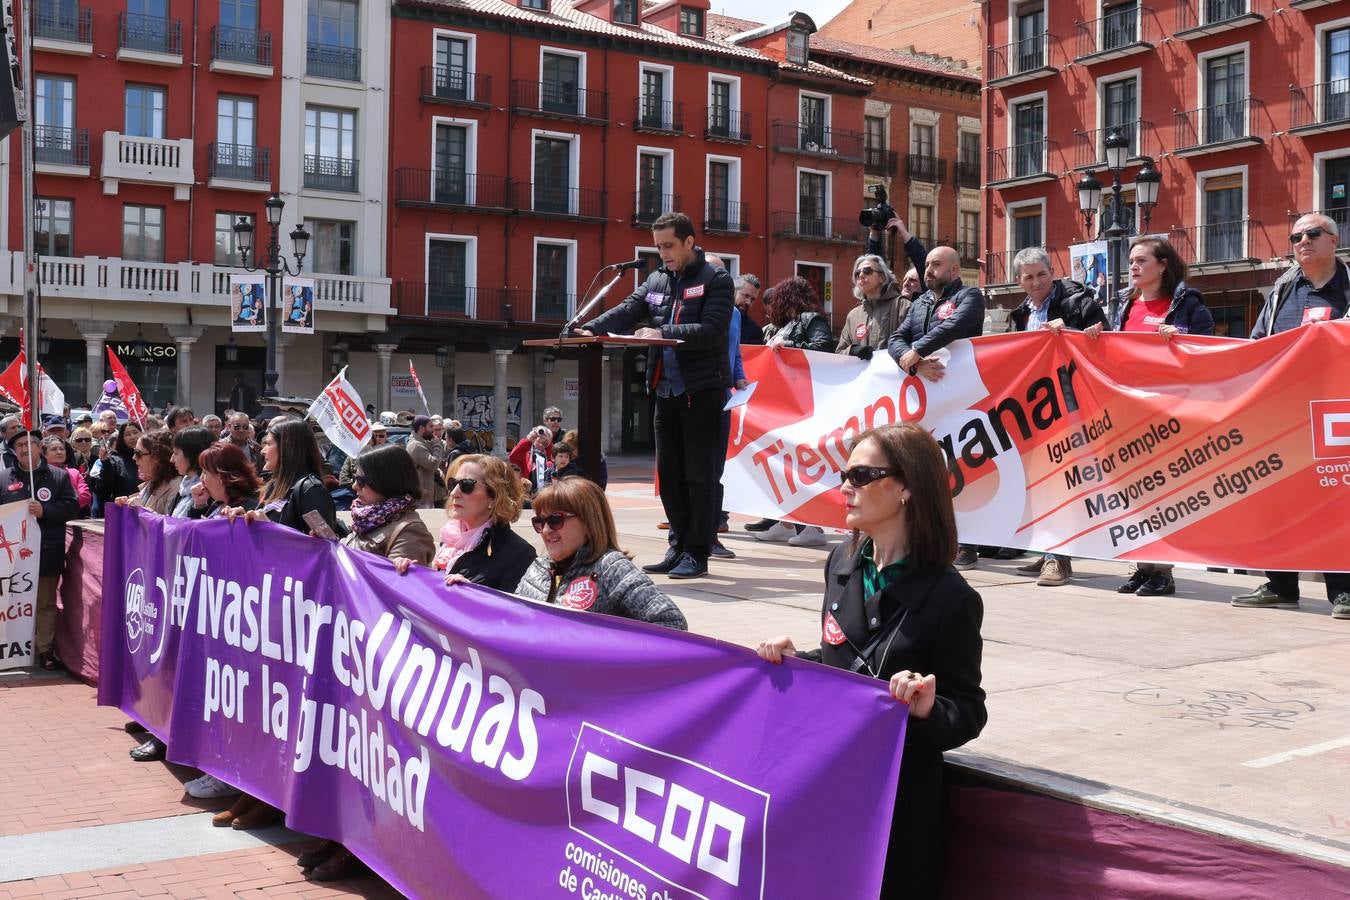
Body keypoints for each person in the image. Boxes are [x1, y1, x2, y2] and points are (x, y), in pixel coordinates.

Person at [756, 423, 986, 898]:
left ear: (906, 486)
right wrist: (801, 661)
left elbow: (967, 710)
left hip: (894, 807)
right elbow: (845, 659)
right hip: (827, 786)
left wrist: (925, 708)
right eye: (845, 474)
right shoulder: (841, 561)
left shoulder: (951, 597)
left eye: (862, 475)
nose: (845, 487)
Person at [578, 211, 733, 580]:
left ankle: (698, 551)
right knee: (669, 474)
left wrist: (660, 330)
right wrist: (589, 328)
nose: (662, 253)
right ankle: (677, 546)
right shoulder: (657, 279)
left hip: (703, 390)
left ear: (689, 242)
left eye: (668, 246)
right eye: (658, 246)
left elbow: (712, 329)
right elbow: (630, 309)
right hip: (665, 390)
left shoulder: (717, 279)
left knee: (700, 475)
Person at [1232, 213, 1350, 618]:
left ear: (1334, 240)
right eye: (1297, 236)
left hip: (1336, 414)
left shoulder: (1348, 289)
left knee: (1338, 501)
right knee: (1277, 498)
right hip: (1284, 414)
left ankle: (1344, 591)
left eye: (1313, 234)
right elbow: (1257, 344)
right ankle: (1281, 584)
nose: (1303, 241)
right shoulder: (1283, 289)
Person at [1086, 237, 1213, 597]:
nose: (1134, 267)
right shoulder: (1125, 304)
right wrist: (1099, 336)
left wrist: (1182, 337)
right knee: (1135, 492)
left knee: (1163, 493)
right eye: (1131, 261)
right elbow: (1116, 351)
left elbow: (1208, 346)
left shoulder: (1187, 303)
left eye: (1142, 260)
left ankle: (1163, 571)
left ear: (1163, 265)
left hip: (1168, 411)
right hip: (1130, 411)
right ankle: (1143, 566)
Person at [1006, 247, 1108, 587]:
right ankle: (1048, 547)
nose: (1036, 282)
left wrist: (1072, 331)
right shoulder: (1020, 314)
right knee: (1040, 484)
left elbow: (1106, 340)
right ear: (1018, 280)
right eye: (1028, 277)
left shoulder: (1078, 302)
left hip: (1071, 404)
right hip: (1035, 408)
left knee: (1063, 481)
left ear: (1053, 272)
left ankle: (1058, 560)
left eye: (1042, 275)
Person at [888, 244, 986, 569]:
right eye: (926, 264)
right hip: (926, 400)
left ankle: (967, 544)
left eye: (935, 264)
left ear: (954, 270)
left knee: (962, 469)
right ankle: (926, 539)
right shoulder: (918, 304)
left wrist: (917, 350)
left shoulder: (970, 296)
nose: (927, 270)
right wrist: (915, 365)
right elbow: (894, 340)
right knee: (923, 469)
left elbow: (955, 327)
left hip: (963, 398)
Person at [513, 478, 688, 629]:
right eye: (539, 521)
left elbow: (672, 623)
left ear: (588, 523)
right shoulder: (538, 567)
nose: (545, 530)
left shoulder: (611, 568)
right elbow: (511, 621)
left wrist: (603, 653)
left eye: (555, 520)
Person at [752, 276, 835, 548]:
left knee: (804, 465)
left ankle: (813, 527)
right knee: (786, 465)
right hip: (787, 403)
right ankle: (787, 522)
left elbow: (823, 349)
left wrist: (790, 347)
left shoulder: (811, 319)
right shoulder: (785, 325)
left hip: (806, 402)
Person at [393, 454, 536, 591]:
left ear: (494, 496)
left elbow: (515, 612)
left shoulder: (519, 553)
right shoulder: (451, 538)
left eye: (467, 485)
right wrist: (413, 574)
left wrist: (472, 596)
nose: (454, 493)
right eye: (452, 483)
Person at [0, 431, 79, 670]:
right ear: (14, 451)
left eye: (29, 444)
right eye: (19, 445)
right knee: (12, 604)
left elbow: (71, 507)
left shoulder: (58, 477)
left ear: (39, 448)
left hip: (45, 552)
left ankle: (45, 650)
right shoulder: (4, 478)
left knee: (45, 603)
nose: (24, 449)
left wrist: (45, 511)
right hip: (11, 558)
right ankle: (10, 649)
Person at [837, 253, 912, 359]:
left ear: (881, 277)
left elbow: (917, 346)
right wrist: (852, 350)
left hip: (895, 374)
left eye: (867, 271)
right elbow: (839, 353)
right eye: (857, 273)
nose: (861, 275)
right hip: (864, 375)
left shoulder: (903, 307)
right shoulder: (853, 315)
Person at [186, 443, 262, 520]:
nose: (201, 478)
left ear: (222, 476)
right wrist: (199, 505)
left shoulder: (249, 509)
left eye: (205, 472)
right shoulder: (217, 503)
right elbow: (192, 529)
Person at [88, 421, 144, 510]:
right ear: (122, 438)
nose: (133, 437)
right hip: (123, 510)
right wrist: (106, 464)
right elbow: (103, 489)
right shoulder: (114, 460)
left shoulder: (150, 456)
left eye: (135, 432)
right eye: (128, 434)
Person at [169, 427, 216, 519]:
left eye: (176, 453)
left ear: (191, 455)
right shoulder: (183, 489)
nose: (172, 459)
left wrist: (199, 507)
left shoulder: (212, 493)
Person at [40, 436, 91, 513]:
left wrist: (62, 505)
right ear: (44, 454)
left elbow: (85, 497)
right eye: (54, 449)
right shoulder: (39, 474)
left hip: (73, 519)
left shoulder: (74, 473)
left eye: (62, 449)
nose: (59, 452)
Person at [405, 415, 443, 510]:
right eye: (430, 426)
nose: (433, 430)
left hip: (427, 497)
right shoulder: (416, 445)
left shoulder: (422, 442)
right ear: (421, 428)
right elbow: (433, 464)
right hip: (421, 501)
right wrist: (437, 445)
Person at [337, 422, 389, 490]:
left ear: (386, 437)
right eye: (374, 436)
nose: (378, 439)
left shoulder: (390, 455)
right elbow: (343, 481)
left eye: (381, 436)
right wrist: (359, 483)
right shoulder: (354, 455)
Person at [508, 425, 555, 499]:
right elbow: (513, 457)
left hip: (547, 498)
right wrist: (528, 439)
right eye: (537, 436)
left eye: (544, 436)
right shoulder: (527, 456)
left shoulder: (550, 458)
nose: (540, 439)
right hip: (528, 497)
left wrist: (548, 444)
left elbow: (555, 458)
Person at [734, 274, 765, 346]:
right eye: (746, 296)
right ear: (734, 291)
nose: (748, 302)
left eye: (752, 299)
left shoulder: (755, 331)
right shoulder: (716, 317)